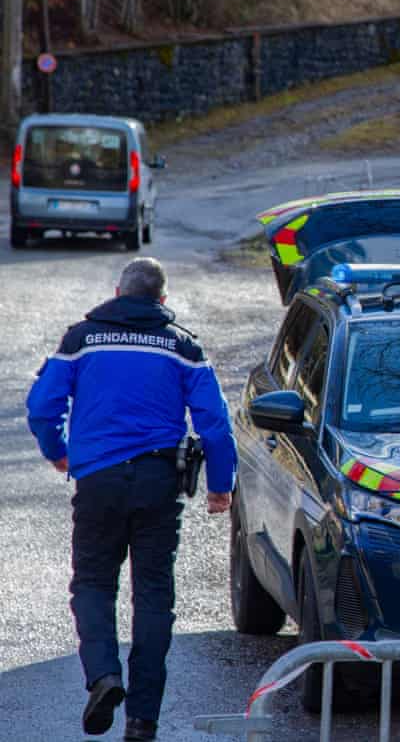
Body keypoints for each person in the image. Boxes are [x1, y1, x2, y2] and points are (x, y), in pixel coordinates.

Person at [26, 258, 237, 741]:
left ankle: (103, 676)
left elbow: (42, 406)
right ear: (162, 301)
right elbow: (215, 423)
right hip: (158, 483)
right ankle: (143, 720)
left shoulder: (81, 339)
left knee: (94, 584)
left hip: (98, 481)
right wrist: (220, 485)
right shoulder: (184, 346)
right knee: (154, 596)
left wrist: (59, 452)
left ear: (117, 291)